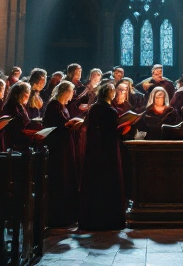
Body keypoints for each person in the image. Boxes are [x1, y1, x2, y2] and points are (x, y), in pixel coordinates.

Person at [79, 83, 126, 231]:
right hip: (108, 151)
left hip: (94, 150)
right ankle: (109, 219)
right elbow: (112, 132)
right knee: (108, 182)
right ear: (109, 94)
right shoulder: (110, 110)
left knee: (95, 182)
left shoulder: (94, 109)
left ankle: (93, 218)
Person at [43, 80, 81, 227]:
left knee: (67, 179)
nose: (72, 95)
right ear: (65, 92)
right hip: (58, 149)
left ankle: (68, 215)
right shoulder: (53, 106)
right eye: (71, 92)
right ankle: (58, 217)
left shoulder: (62, 106)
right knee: (60, 179)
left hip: (66, 146)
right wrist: (68, 126)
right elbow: (54, 127)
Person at [1, 81, 34, 150]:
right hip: (15, 142)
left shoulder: (18, 105)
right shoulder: (13, 106)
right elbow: (17, 125)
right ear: (23, 94)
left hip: (20, 139)